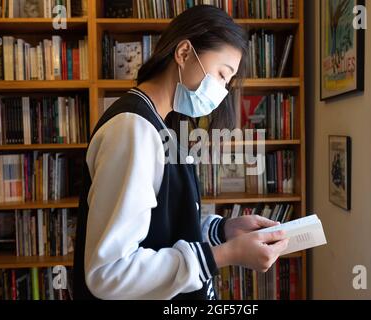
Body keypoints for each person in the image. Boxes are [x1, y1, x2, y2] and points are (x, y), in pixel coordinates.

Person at [73, 5, 289, 300]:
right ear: (184, 53)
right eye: (221, 75)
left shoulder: (162, 123)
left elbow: (159, 224)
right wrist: (222, 256)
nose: (222, 91)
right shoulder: (132, 130)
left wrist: (222, 231)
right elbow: (109, 273)